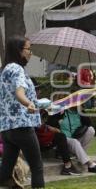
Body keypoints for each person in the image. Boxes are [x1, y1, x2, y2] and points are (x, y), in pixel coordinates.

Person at [0, 35, 45, 188]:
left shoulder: (6, 69)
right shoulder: (17, 69)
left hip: (8, 129)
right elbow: (20, 94)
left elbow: (12, 97)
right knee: (37, 168)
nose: (30, 53)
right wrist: (28, 103)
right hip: (22, 127)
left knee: (5, 172)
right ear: (19, 51)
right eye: (28, 49)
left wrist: (37, 103)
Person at [48, 108, 96, 173]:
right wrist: (60, 115)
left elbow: (88, 123)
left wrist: (81, 111)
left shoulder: (79, 111)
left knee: (91, 130)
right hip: (64, 140)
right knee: (74, 142)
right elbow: (49, 123)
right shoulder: (59, 111)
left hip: (76, 138)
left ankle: (80, 156)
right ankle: (91, 165)